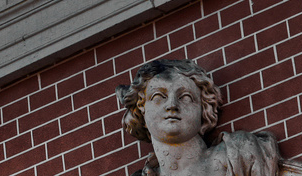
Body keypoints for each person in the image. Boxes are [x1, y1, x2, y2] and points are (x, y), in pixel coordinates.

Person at [117, 59, 279, 176]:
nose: (172, 105)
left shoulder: (239, 153)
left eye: (185, 97)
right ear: (141, 108)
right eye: (159, 96)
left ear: (203, 107)